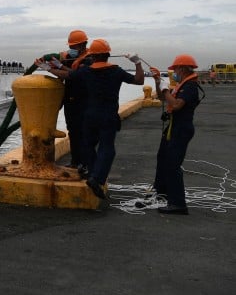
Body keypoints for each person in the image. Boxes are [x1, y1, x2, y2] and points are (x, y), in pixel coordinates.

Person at [47, 39, 143, 199]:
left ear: (92, 55)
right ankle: (96, 178)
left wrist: (50, 68)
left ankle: (92, 174)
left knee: (87, 146)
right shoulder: (116, 71)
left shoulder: (86, 72)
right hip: (108, 115)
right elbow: (139, 80)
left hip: (89, 115)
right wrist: (137, 62)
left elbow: (68, 75)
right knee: (107, 148)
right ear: (108, 55)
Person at [150, 54, 204, 215]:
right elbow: (162, 98)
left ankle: (178, 203)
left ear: (182, 68)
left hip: (181, 129)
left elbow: (176, 104)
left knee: (173, 165)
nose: (174, 72)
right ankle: (162, 190)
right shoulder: (182, 84)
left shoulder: (190, 87)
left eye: (175, 69)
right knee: (163, 158)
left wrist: (167, 89)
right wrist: (158, 82)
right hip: (173, 128)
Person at [34, 29, 91, 172]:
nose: (71, 49)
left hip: (83, 100)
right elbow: (69, 71)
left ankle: (84, 163)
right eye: (70, 47)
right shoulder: (76, 57)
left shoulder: (89, 59)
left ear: (82, 45)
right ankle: (75, 161)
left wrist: (49, 69)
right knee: (73, 131)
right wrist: (58, 65)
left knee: (82, 132)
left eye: (73, 47)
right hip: (71, 99)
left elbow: (72, 76)